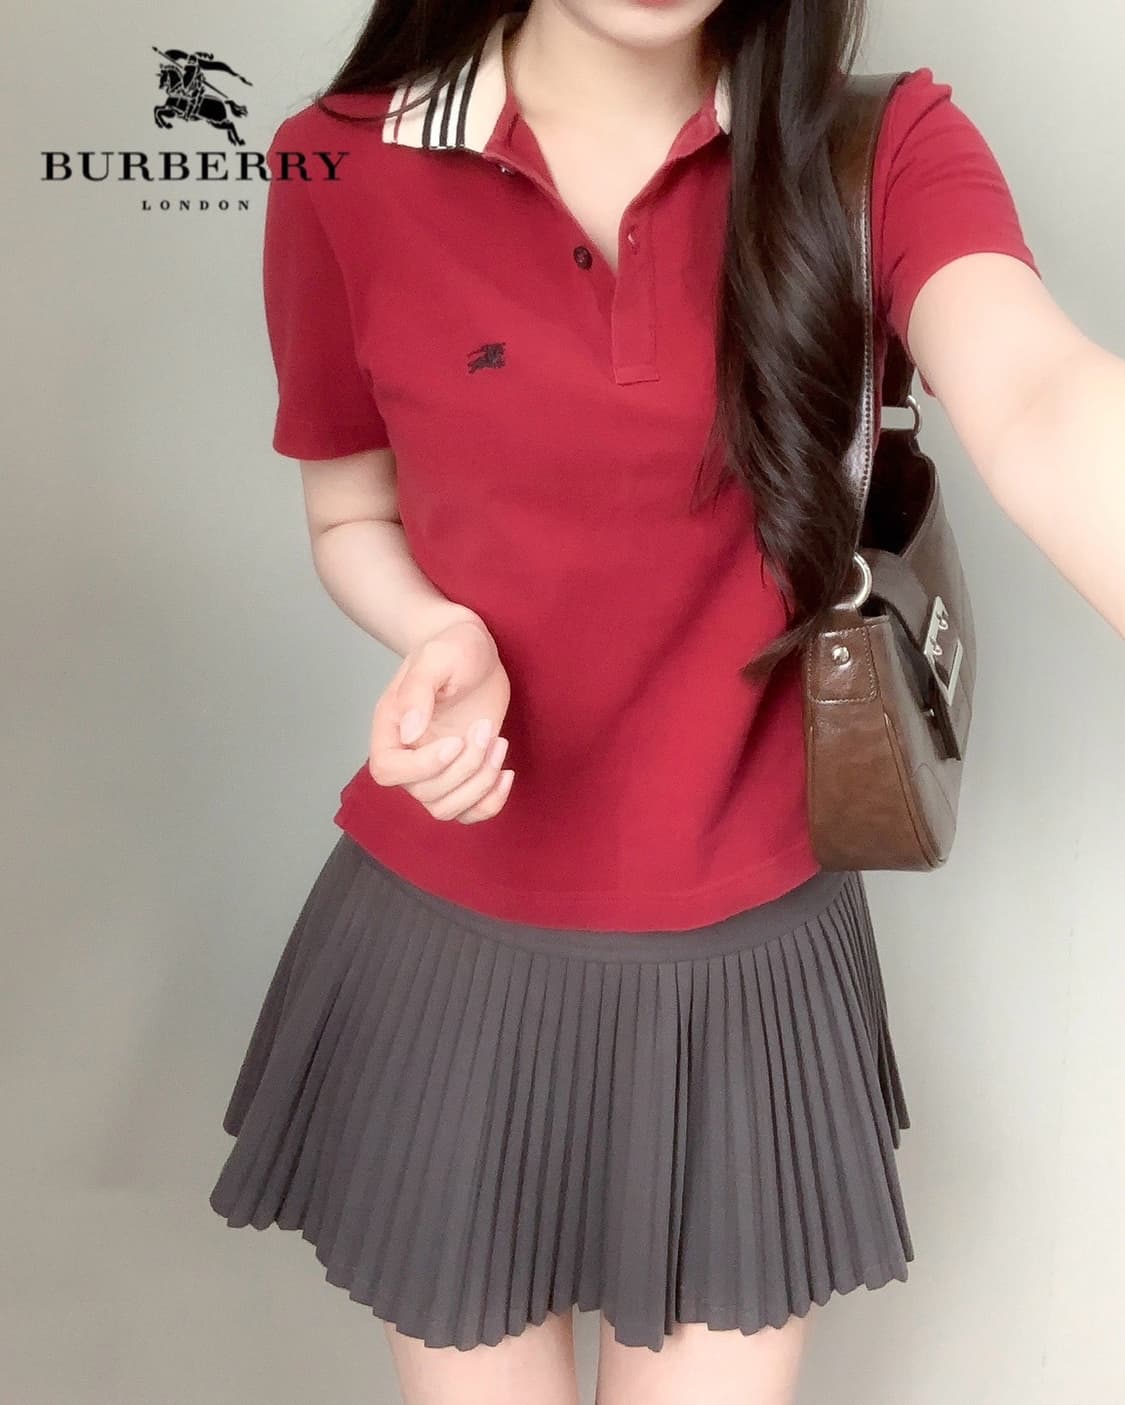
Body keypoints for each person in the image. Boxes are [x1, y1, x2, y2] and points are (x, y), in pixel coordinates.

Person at [208, 2, 1125, 1403]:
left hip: (751, 966)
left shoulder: (873, 148)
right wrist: (436, 628)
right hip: (450, 952)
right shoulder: (338, 163)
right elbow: (348, 514)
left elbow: (1047, 398)